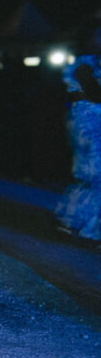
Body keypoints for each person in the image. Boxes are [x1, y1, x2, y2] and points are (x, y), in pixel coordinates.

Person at [54, 18, 101, 241]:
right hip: (87, 120)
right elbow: (94, 93)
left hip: (89, 119)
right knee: (91, 173)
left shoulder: (92, 62)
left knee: (91, 174)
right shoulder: (84, 64)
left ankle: (77, 223)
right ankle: (77, 224)